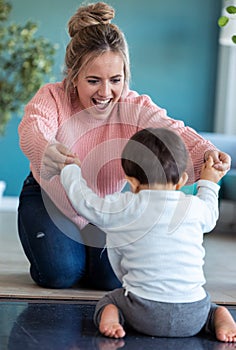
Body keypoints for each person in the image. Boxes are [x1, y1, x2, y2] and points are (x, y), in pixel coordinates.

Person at [18, 2, 231, 291]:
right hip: (50, 198)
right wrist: (46, 150)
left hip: (106, 205)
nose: (105, 92)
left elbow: (173, 130)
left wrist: (206, 152)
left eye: (115, 80)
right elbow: (33, 127)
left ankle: (85, 254)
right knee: (62, 275)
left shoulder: (134, 106)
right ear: (73, 75)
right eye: (93, 80)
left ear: (125, 75)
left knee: (110, 279)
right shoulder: (53, 97)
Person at [60, 127, 236, 342]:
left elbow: (85, 203)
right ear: (181, 180)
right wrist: (209, 181)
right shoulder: (194, 207)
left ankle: (112, 319)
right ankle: (222, 319)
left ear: (131, 181)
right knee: (212, 307)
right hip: (193, 314)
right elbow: (210, 212)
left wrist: (71, 170)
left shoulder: (126, 206)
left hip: (143, 313)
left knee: (110, 300)